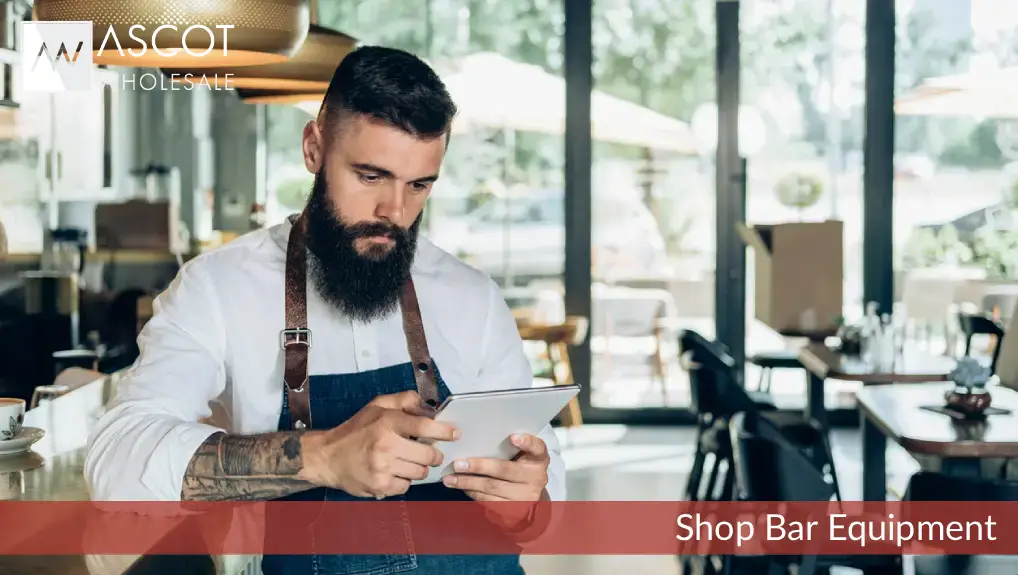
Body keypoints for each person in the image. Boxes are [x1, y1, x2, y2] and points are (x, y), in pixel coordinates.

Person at [84, 45, 564, 574]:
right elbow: (117, 463)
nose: (395, 212)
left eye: (419, 185)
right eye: (370, 176)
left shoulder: (472, 296)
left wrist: (526, 506)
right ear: (314, 148)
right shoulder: (217, 288)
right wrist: (325, 455)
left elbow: (545, 491)